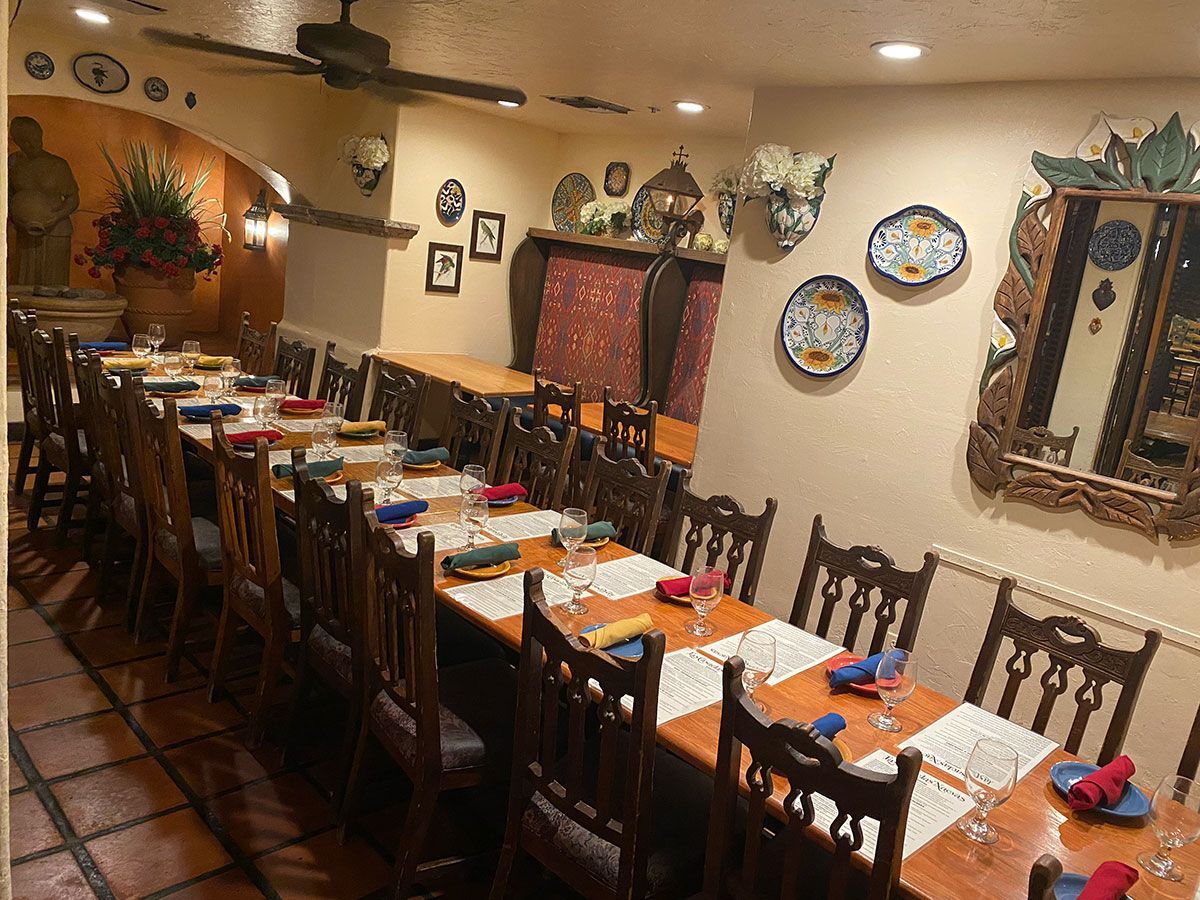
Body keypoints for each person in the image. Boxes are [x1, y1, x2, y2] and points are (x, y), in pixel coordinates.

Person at [8, 115, 79, 286]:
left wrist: (55, 217)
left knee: (53, 284)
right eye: (26, 142)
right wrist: (18, 218)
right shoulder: (14, 163)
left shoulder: (57, 165)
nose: (33, 145)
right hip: (26, 232)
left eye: (36, 139)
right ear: (17, 142)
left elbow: (73, 198)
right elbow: (9, 196)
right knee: (25, 284)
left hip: (56, 230)